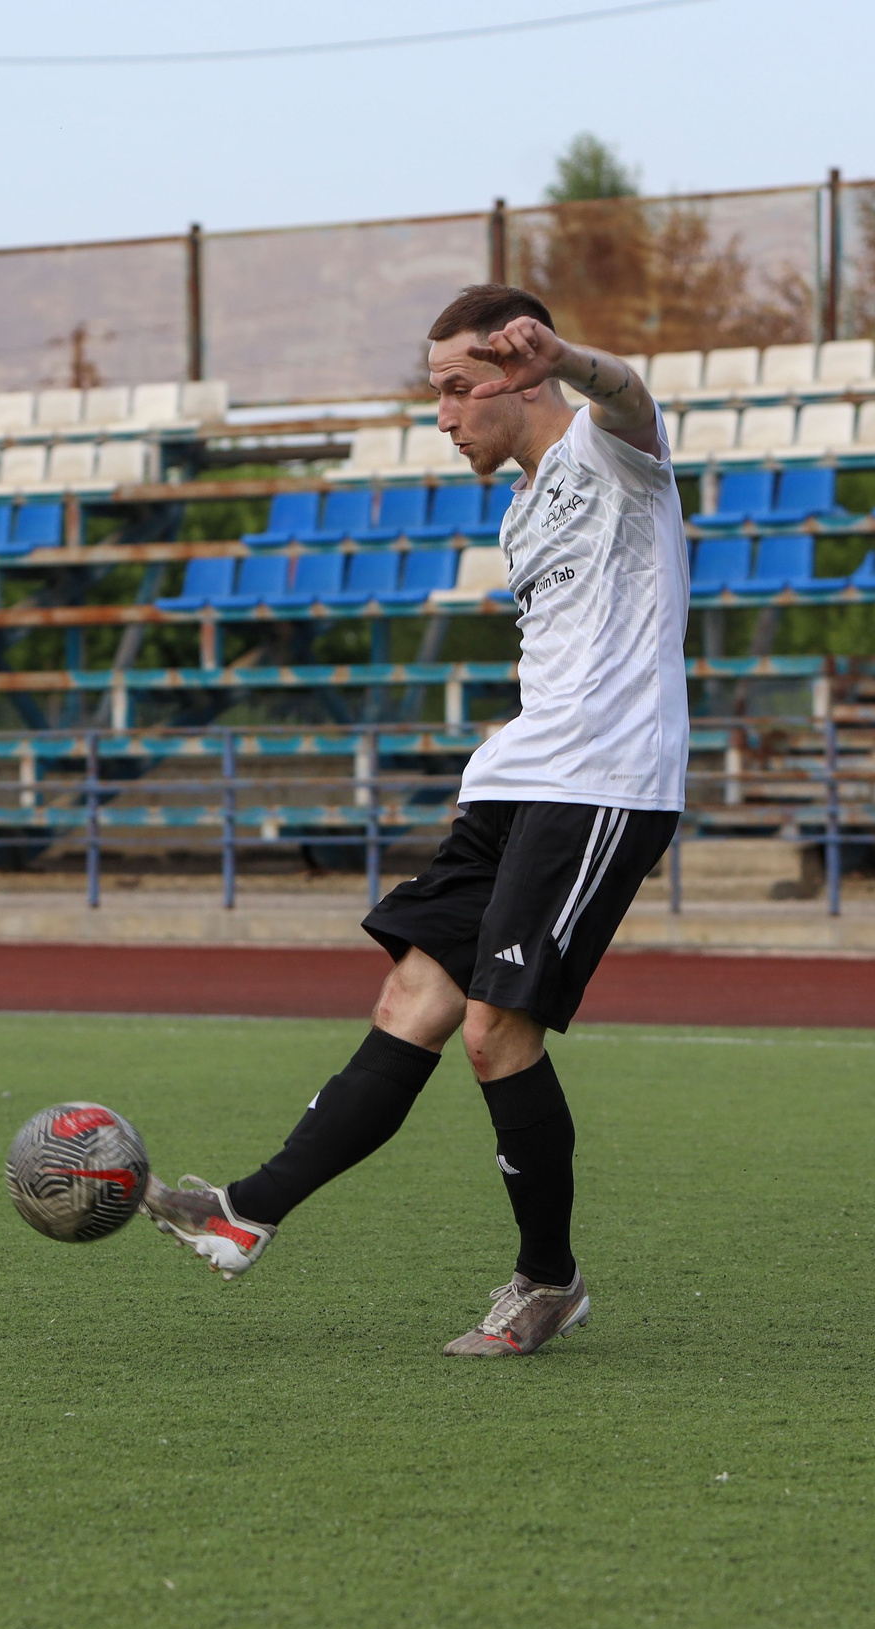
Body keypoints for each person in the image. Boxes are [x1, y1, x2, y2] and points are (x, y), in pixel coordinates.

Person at [144, 284, 687, 1355]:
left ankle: (548, 1282)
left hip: (600, 785)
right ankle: (246, 1212)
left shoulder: (610, 453)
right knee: (413, 998)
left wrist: (568, 356)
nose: (441, 415)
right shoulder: (522, 507)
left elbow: (629, 395)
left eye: (455, 389)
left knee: (494, 1032)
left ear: (518, 376)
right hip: (515, 780)